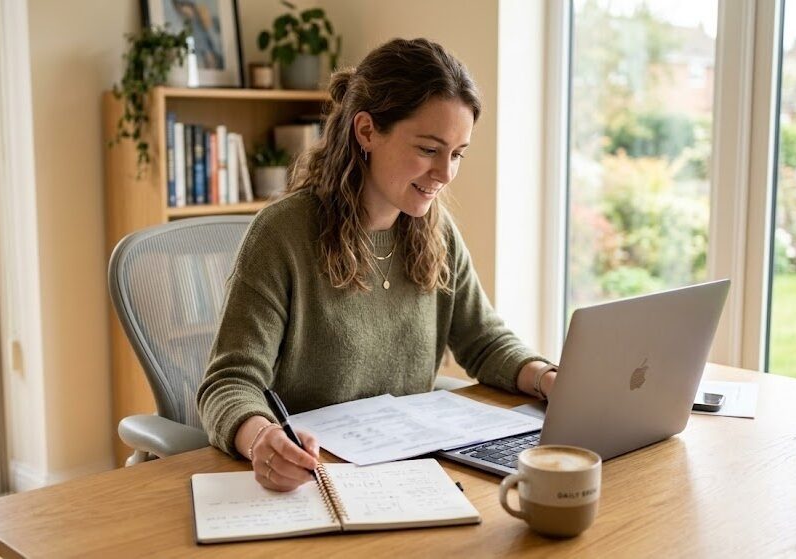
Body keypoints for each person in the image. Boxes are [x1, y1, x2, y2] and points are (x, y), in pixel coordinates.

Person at [197, 38, 557, 492]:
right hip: (311, 478)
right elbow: (229, 382)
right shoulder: (283, 234)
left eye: (458, 153)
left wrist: (548, 379)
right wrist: (262, 437)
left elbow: (484, 342)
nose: (446, 174)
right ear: (366, 131)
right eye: (429, 149)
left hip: (408, 475)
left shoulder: (435, 231)